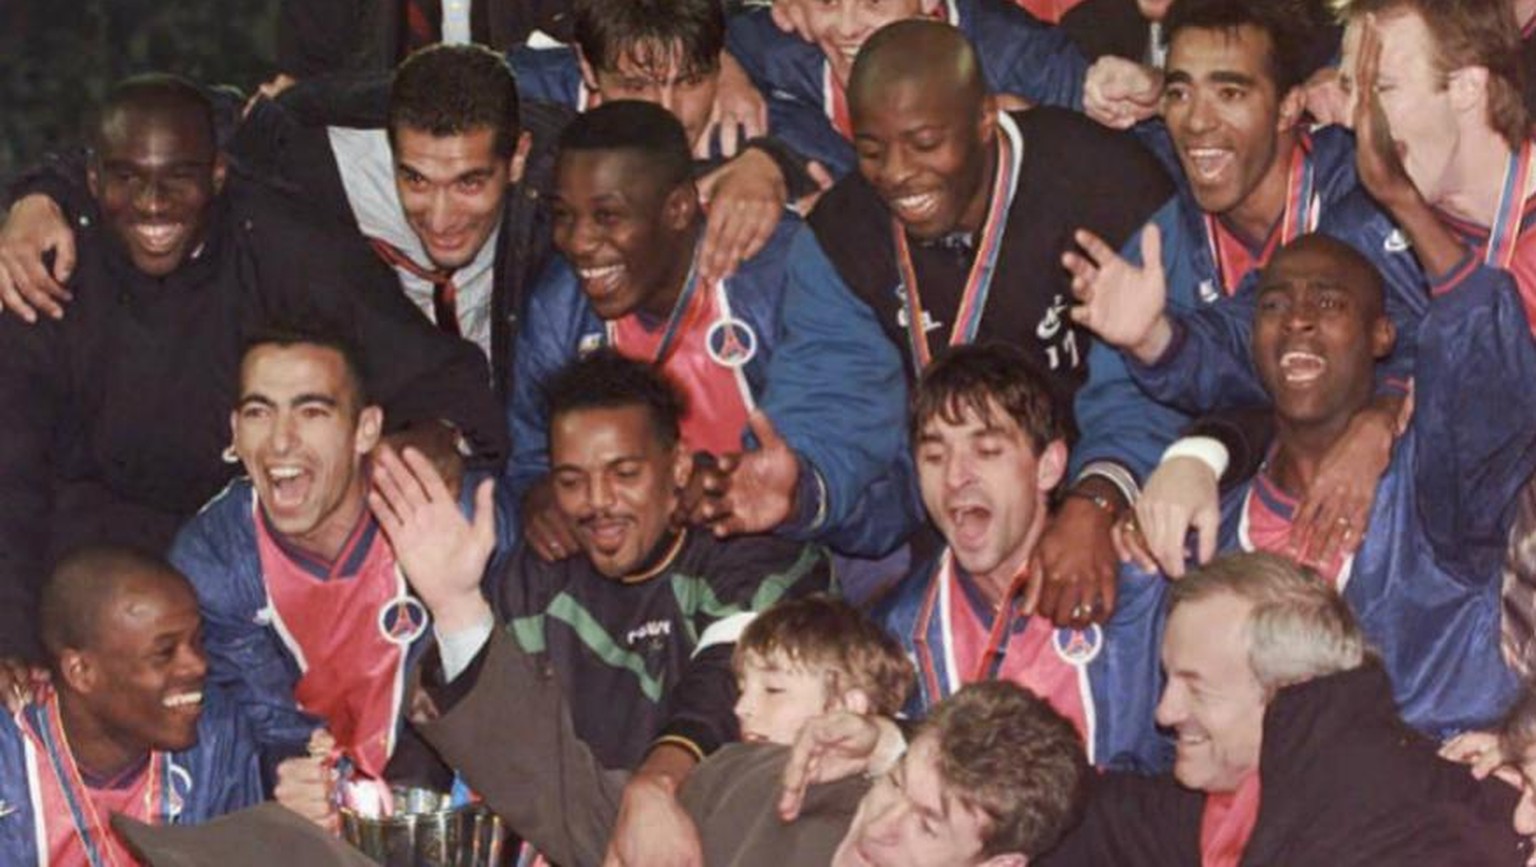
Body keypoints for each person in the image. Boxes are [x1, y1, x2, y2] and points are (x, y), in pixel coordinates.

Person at [0, 74, 504, 663]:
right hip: (95, 543)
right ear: (92, 181)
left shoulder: (281, 242)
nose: (154, 204)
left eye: (179, 179)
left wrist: (440, 431)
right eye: (129, 180)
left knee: (444, 496)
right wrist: (10, 643)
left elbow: (435, 371)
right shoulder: (47, 265)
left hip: (253, 532)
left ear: (218, 174)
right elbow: (11, 474)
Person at [376, 351, 832, 864]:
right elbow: (459, 742)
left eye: (624, 473)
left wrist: (655, 784)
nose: (598, 501)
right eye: (571, 481)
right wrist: (451, 603)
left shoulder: (748, 555)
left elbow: (726, 676)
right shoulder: (535, 583)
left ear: (679, 464)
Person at [806, 19, 1173, 627]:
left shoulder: (1105, 181)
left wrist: (1098, 499)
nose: (895, 172)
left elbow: (1172, 390)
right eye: (872, 151)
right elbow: (850, 432)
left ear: (984, 119)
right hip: (950, 521)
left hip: (1117, 489)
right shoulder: (840, 233)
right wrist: (800, 488)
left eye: (924, 143)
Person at [1107, 234, 1531, 736]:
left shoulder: (1432, 484)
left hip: (1434, 793)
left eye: (1328, 302)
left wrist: (1406, 205)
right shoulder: (1204, 530)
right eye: (1273, 305)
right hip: (1263, 809)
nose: (1297, 319)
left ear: (1381, 337)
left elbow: (1492, 377)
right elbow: (1151, 733)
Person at [1065, 0, 1424, 579]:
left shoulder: (1364, 198)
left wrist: (1383, 412)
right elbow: (1154, 392)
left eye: (1229, 93)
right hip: (1253, 497)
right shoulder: (1157, 238)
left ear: (1288, 106)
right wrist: (1105, 491)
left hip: (1402, 501)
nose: (1197, 121)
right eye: (1180, 93)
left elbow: (1448, 337)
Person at [511, 100, 913, 564]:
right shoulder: (559, 308)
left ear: (680, 208)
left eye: (607, 217)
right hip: (661, 578)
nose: (578, 242)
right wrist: (539, 498)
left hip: (820, 555)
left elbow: (886, 481)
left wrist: (797, 496)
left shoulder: (784, 270)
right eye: (563, 215)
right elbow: (530, 457)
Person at [115, 679, 1088, 867]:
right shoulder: (781, 792)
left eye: (926, 826)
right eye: (893, 785)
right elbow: (585, 817)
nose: (877, 828)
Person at [1037, 551, 1527, 865]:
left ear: (1286, 690)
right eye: (1169, 680)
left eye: (1196, 688)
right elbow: (1104, 818)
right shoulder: (1248, 797)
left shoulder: (1395, 829)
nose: (1164, 713)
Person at [166, 330, 498, 785]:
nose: (281, 441)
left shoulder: (451, 513)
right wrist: (290, 777)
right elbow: (264, 731)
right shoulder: (214, 557)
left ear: (365, 429)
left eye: (312, 412)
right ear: (235, 431)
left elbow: (517, 701)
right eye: (259, 412)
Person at [876, 344, 1168, 772]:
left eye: (988, 451)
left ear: (1048, 466)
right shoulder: (901, 627)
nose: (956, 477)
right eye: (935, 456)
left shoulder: (1141, 586)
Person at [0, 547, 264, 864]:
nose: (197, 666)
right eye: (164, 653)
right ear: (81, 672)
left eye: (197, 641)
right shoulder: (9, 760)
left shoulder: (217, 734)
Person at [723, 0, 1092, 176]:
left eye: (872, 2)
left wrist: (1040, 145)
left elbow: (1133, 163)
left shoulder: (1021, 56)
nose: (848, 26)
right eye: (828, 2)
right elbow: (718, 43)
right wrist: (724, 70)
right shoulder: (786, 50)